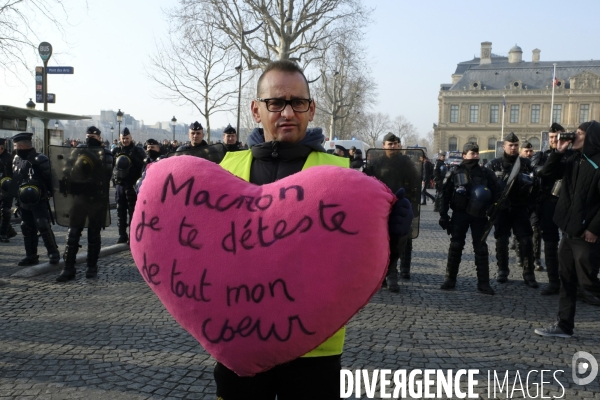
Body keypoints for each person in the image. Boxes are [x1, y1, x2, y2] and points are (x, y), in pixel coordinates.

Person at [214, 60, 412, 399]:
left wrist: (392, 237)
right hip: (239, 341)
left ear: (311, 109)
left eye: (298, 102)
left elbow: (364, 268)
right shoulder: (224, 172)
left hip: (314, 348)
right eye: (276, 102)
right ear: (256, 110)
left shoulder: (343, 176)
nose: (288, 112)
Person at [534, 121, 600, 338]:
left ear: (590, 137)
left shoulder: (597, 163)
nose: (573, 136)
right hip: (569, 230)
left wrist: (594, 228)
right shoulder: (573, 159)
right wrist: (558, 151)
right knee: (567, 279)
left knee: (588, 283)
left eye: (578, 134)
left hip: (587, 234)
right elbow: (546, 175)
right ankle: (564, 325)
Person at [439, 142, 501, 294]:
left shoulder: (486, 173)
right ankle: (450, 278)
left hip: (479, 215)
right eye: (472, 153)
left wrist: (494, 206)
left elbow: (497, 192)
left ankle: (484, 283)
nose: (475, 156)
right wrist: (443, 214)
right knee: (456, 246)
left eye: (476, 153)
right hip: (460, 213)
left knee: (481, 248)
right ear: (464, 155)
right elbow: (444, 194)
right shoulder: (454, 172)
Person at [56, 126, 113, 282]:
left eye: (94, 137)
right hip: (79, 198)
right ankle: (68, 268)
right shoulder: (77, 152)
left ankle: (91, 267)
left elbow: (105, 176)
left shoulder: (106, 153)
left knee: (94, 235)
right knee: (73, 234)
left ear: (100, 138)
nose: (91, 138)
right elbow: (66, 172)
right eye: (89, 136)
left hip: (96, 199)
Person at [364, 132, 420, 290]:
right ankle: (383, 274)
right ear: (383, 146)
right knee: (381, 241)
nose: (394, 146)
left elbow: (415, 184)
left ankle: (395, 272)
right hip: (381, 205)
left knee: (401, 239)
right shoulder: (376, 163)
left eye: (396, 143)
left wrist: (413, 206)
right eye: (390, 144)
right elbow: (368, 183)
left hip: (401, 205)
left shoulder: (406, 162)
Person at [485, 132, 538, 288]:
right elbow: (487, 187)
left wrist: (531, 206)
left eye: (516, 145)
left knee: (526, 240)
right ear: (504, 146)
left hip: (520, 208)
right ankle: (502, 270)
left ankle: (529, 272)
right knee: (501, 240)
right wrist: (490, 207)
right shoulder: (493, 165)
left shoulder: (526, 164)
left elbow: (536, 186)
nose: (513, 148)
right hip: (502, 209)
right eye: (510, 145)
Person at [531, 123, 571, 295]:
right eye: (552, 137)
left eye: (558, 137)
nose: (555, 140)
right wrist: (557, 154)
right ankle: (553, 281)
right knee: (550, 243)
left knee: (570, 243)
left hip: (569, 204)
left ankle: (571, 282)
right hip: (548, 203)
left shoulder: (574, 155)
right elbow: (542, 172)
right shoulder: (542, 155)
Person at [10, 132, 60, 265]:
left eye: (16, 146)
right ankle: (31, 256)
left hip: (38, 199)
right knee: (26, 226)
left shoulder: (40, 159)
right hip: (23, 200)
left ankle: (53, 253)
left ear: (21, 146)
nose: (15, 148)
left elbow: (52, 180)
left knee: (43, 224)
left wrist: (50, 194)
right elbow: (15, 178)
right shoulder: (17, 159)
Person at [112, 127, 146, 243]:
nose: (125, 140)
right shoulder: (115, 151)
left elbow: (144, 166)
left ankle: (132, 236)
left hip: (132, 185)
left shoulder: (138, 150)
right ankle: (122, 235)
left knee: (133, 212)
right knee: (120, 212)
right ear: (119, 138)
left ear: (131, 138)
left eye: (127, 138)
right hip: (120, 185)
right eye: (123, 138)